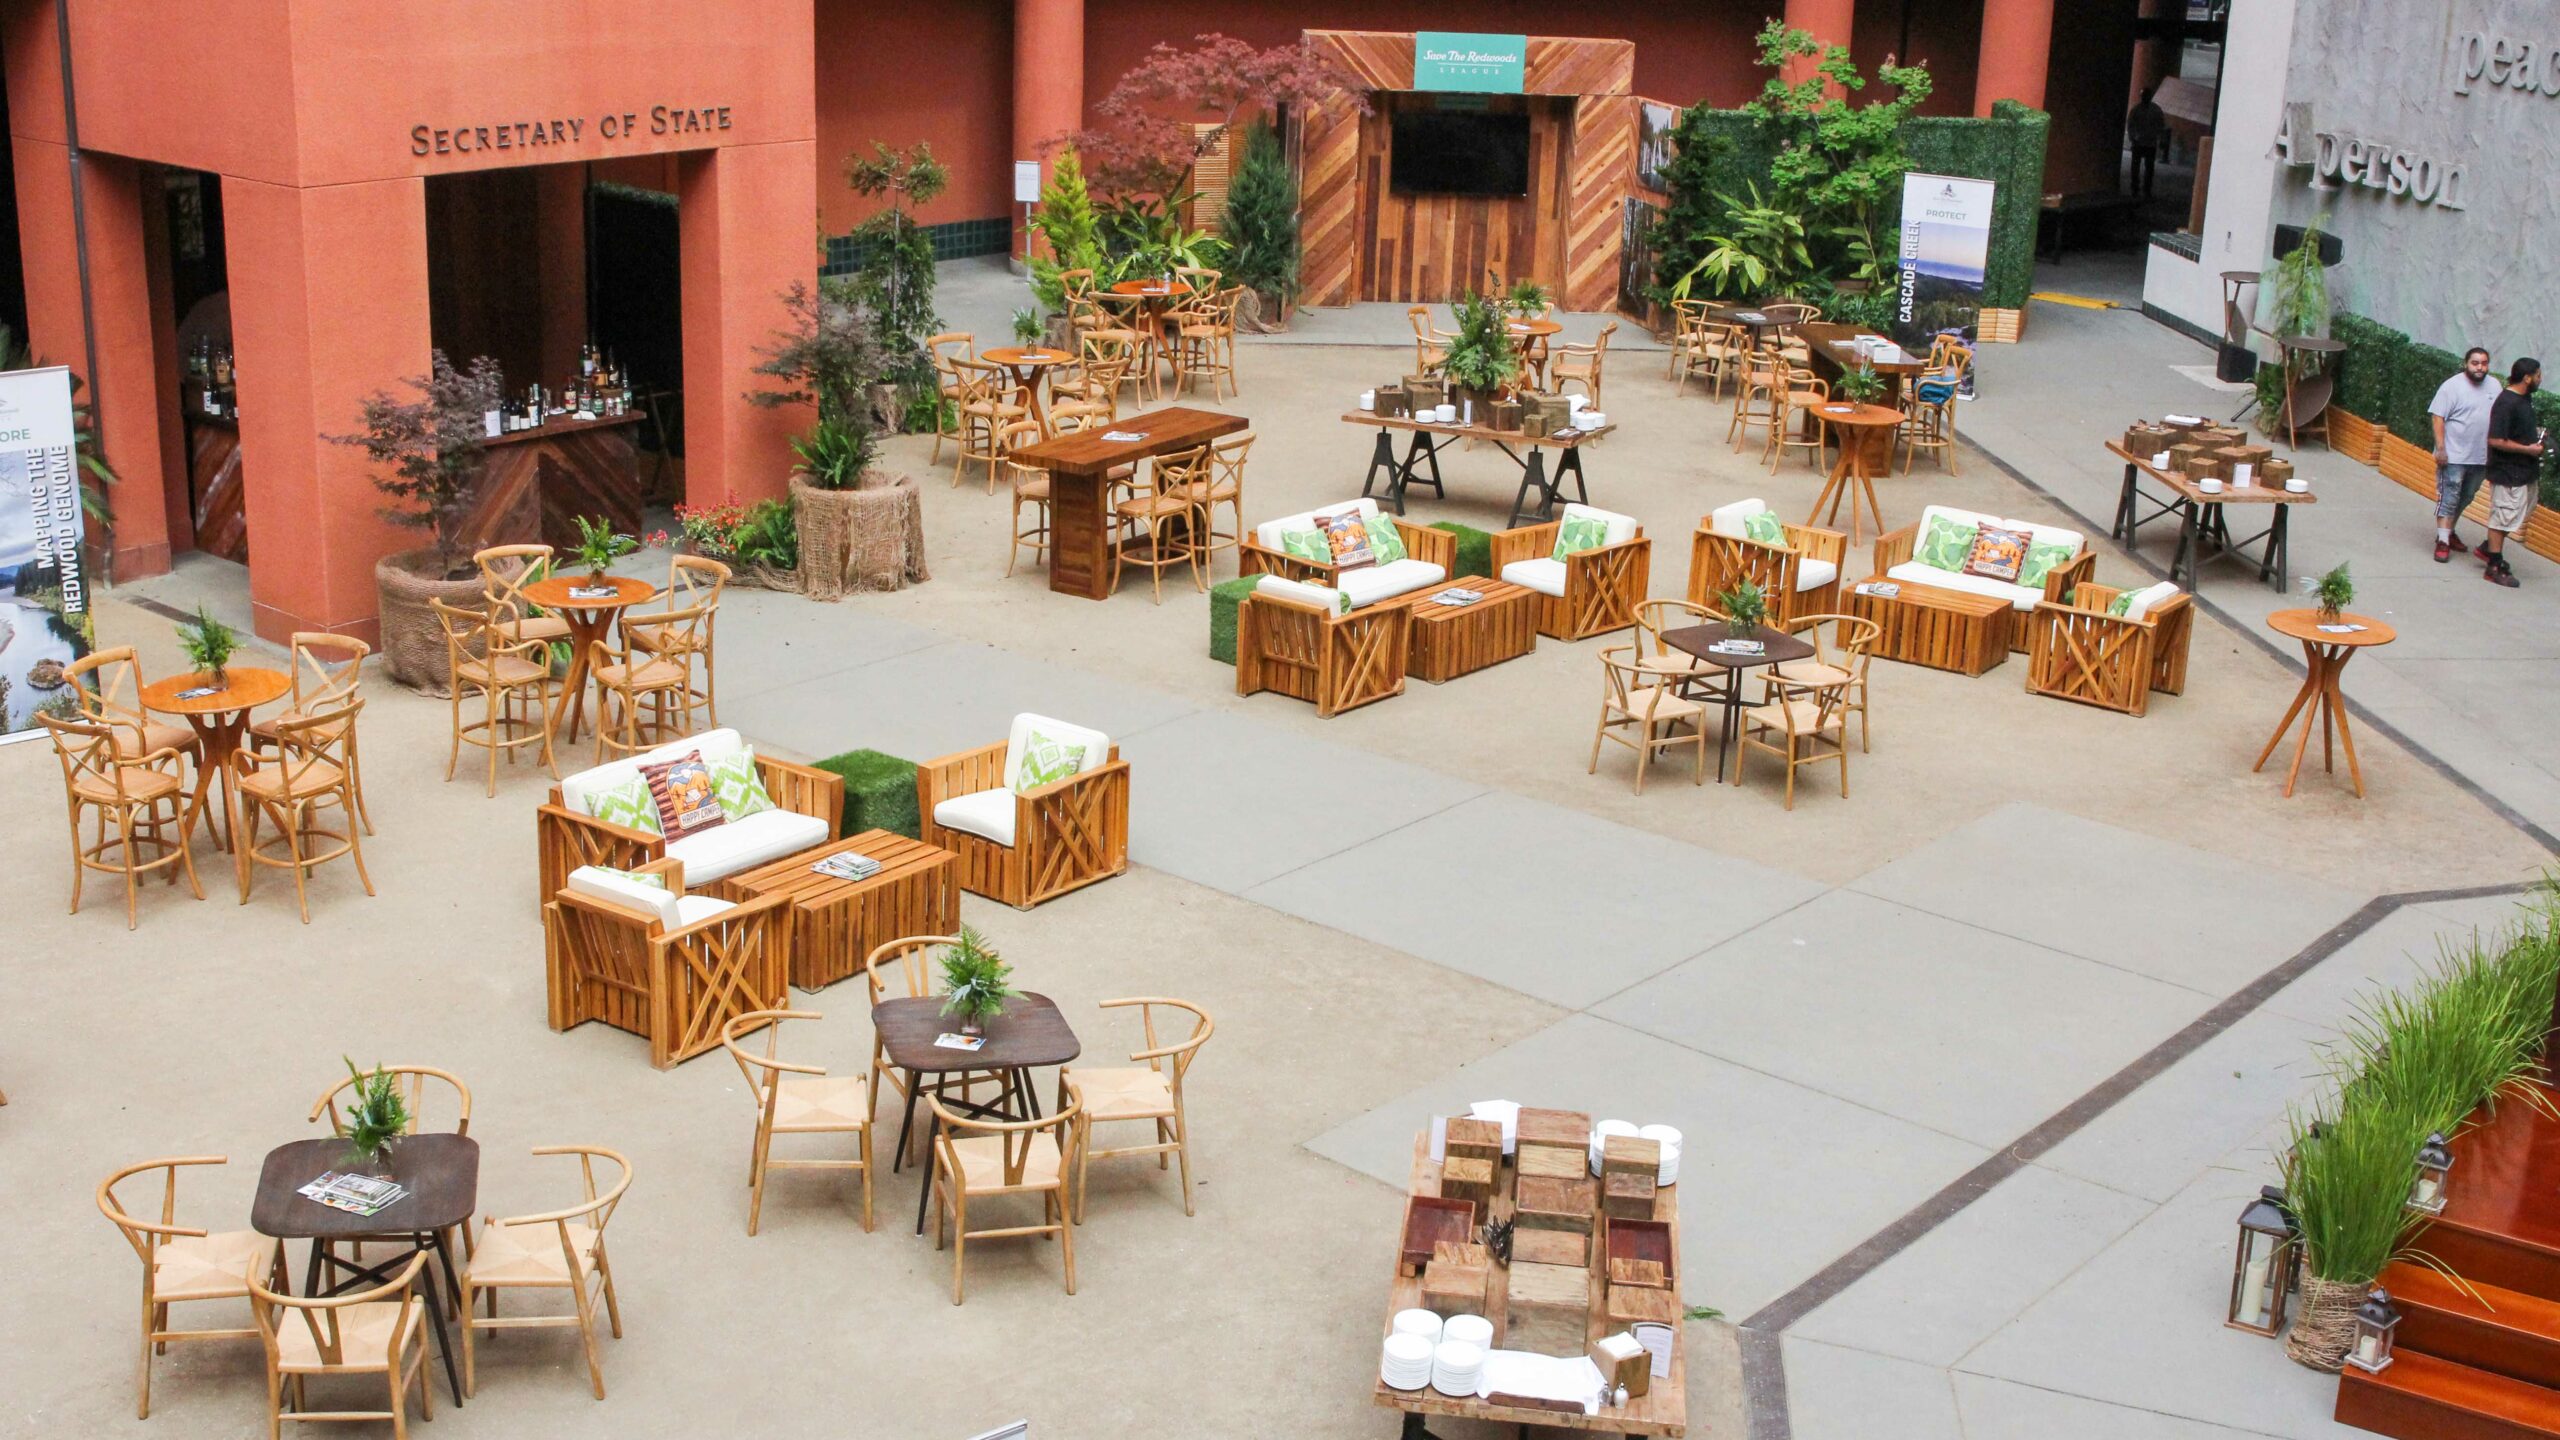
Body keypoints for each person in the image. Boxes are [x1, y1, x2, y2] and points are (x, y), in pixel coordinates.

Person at [2481, 356, 2545, 588]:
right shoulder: (2506, 403)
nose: (2540, 379)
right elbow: (2496, 440)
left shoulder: (2524, 399)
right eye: (2538, 375)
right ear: (2527, 378)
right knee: (2502, 517)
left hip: (2525, 472)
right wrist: (2527, 449)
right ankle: (2494, 565)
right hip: (2508, 473)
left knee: (2517, 515)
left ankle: (2488, 547)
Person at [2430, 347, 2498, 562]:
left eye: (2484, 363)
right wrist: (2441, 448)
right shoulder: (2452, 386)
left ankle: (2449, 532)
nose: (2480, 367)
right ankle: (2442, 542)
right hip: (2454, 456)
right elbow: (2438, 417)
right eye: (2475, 363)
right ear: (2466, 363)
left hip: (2480, 457)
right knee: (2449, 498)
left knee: (2466, 496)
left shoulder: (2494, 386)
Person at [2126, 86, 2168, 199]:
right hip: (2144, 142)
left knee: (2141, 168)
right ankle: (2142, 190)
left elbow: (2130, 125)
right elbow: (2161, 126)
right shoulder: (2155, 110)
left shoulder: (2137, 110)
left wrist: (2132, 137)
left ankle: (2139, 189)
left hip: (2144, 142)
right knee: (2146, 168)